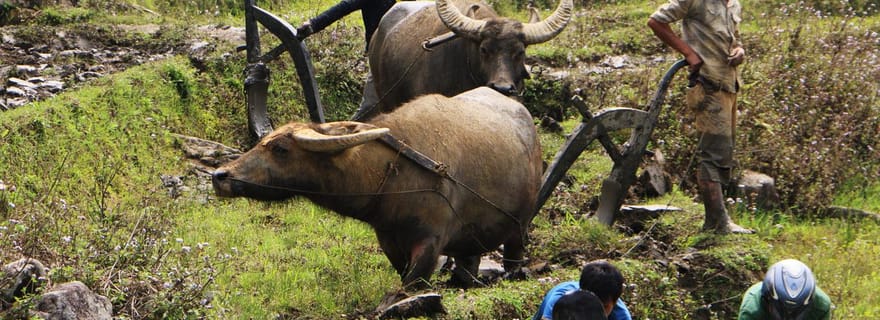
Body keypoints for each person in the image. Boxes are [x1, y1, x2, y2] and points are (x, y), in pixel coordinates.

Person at [647, 0, 754, 234]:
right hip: (708, 85)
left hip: (729, 85)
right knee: (713, 153)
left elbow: (735, 40)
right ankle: (716, 222)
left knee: (724, 150)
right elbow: (656, 21)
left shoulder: (733, 4)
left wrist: (740, 51)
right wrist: (688, 53)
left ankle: (718, 219)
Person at [295, 0, 397, 120]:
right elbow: (346, 6)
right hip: (380, 56)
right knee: (370, 107)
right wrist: (314, 24)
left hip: (398, 51)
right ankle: (348, 135)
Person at [533, 260, 632, 320]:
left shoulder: (621, 316)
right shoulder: (561, 301)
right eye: (592, 306)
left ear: (615, 302)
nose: (596, 313)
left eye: (605, 307)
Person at [738, 259, 833, 320]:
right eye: (782, 310)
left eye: (795, 311)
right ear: (767, 299)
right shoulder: (752, 310)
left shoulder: (821, 306)